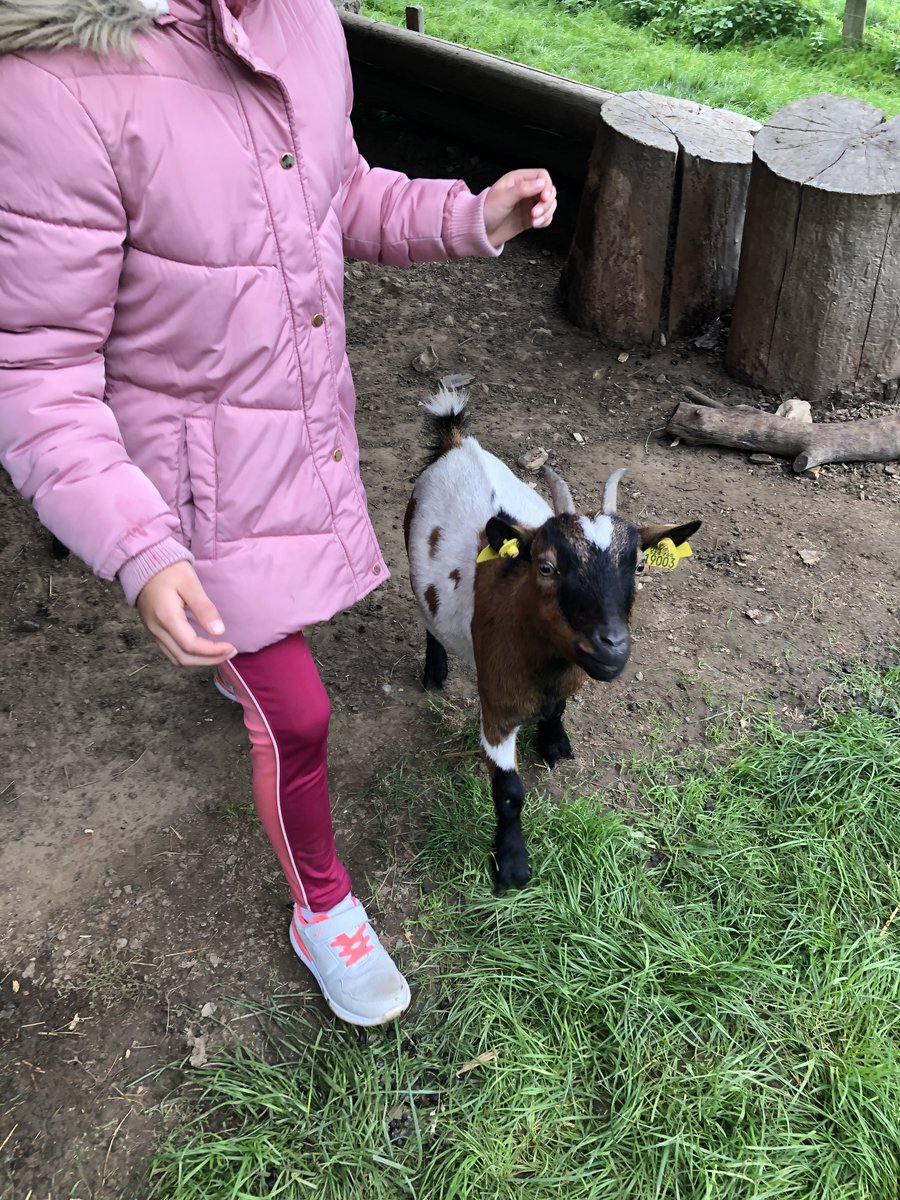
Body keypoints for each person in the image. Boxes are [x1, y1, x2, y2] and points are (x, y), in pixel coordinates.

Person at [0, 0, 557, 1027]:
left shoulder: (301, 20)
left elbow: (337, 192)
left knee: (265, 669)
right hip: (187, 497)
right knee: (299, 714)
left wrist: (467, 217)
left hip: (294, 437)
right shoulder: (53, 85)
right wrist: (142, 551)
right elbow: (39, 379)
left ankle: (237, 666)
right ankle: (323, 906)